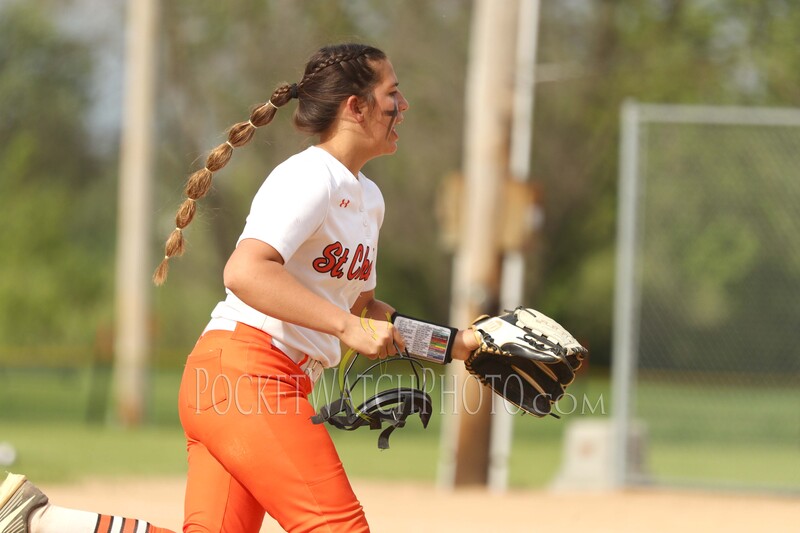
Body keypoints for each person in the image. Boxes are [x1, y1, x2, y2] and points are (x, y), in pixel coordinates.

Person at [0, 43, 480, 532]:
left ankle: (42, 522)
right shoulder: (309, 176)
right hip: (247, 375)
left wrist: (461, 347)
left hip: (247, 383)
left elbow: (366, 310)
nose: (403, 106)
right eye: (392, 93)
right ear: (354, 106)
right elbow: (245, 271)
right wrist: (344, 327)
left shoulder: (368, 199)